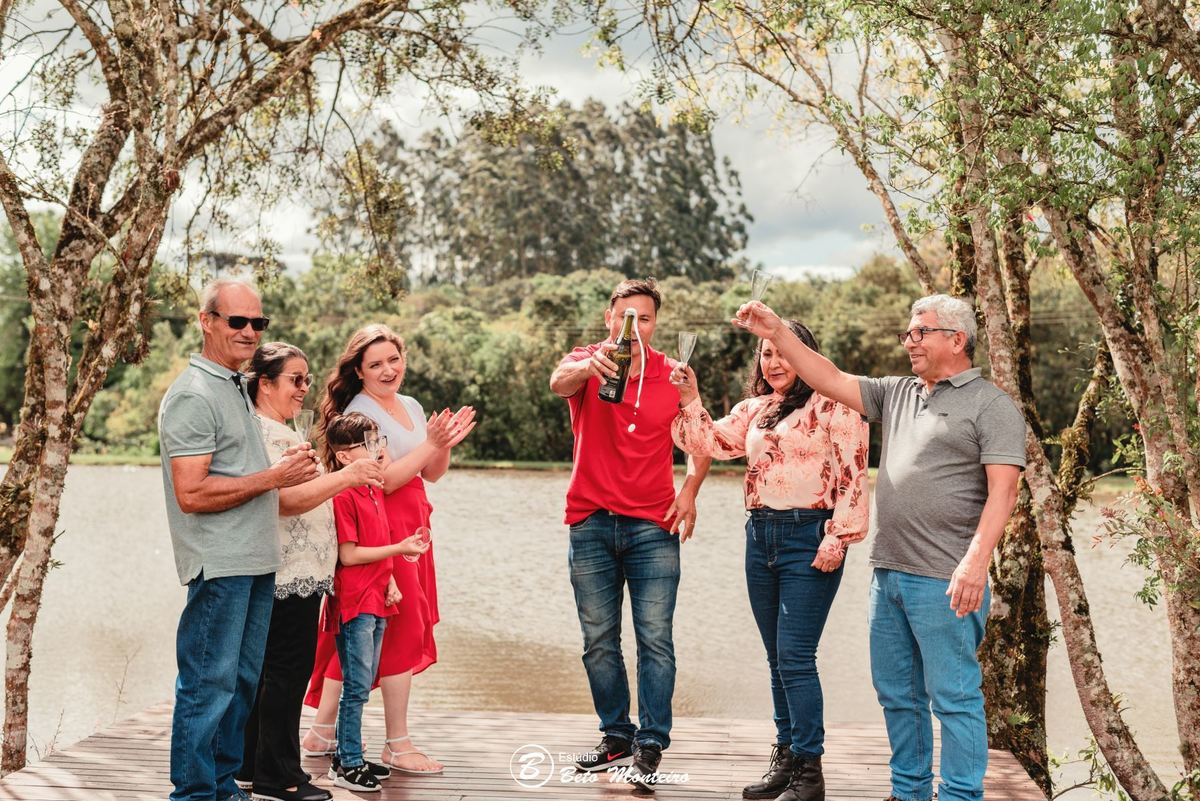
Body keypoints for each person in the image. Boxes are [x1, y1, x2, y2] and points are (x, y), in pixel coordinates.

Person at [733, 294, 1025, 801]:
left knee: (954, 699)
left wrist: (976, 562)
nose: (909, 341)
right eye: (907, 333)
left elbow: (1004, 492)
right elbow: (826, 376)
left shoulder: (992, 407)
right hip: (887, 573)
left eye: (920, 332)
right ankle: (907, 793)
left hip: (946, 578)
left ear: (956, 340)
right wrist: (776, 331)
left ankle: (959, 795)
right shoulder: (898, 393)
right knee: (898, 696)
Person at [669, 320, 869, 801]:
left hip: (811, 535)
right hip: (760, 537)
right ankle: (786, 758)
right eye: (766, 354)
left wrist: (838, 537)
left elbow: (854, 473)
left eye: (782, 352)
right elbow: (708, 444)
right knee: (777, 659)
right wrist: (689, 397)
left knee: (797, 657)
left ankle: (810, 773)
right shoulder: (756, 411)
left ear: (804, 354)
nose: (774, 362)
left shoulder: (836, 402)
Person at [548, 278, 711, 793]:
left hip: (653, 525)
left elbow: (700, 438)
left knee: (655, 639)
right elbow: (558, 383)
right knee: (598, 641)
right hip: (590, 520)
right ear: (609, 317)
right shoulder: (590, 360)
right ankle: (616, 735)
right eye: (625, 317)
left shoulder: (674, 373)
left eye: (643, 319)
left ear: (654, 324)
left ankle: (652, 743)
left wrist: (690, 490)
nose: (633, 327)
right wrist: (584, 366)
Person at [158, 278, 319, 801]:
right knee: (208, 686)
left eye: (259, 323)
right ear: (207, 321)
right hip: (220, 565)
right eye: (237, 321)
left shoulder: (232, 386)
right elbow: (192, 492)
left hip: (257, 562)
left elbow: (245, 474)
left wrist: (284, 471)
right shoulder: (192, 393)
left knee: (242, 684)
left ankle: (225, 785)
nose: (250, 332)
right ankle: (195, 793)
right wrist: (275, 479)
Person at [301, 324, 474, 775]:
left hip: (413, 524)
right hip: (383, 528)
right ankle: (397, 743)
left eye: (393, 360)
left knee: (364, 627)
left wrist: (443, 444)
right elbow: (383, 478)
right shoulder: (361, 413)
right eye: (375, 364)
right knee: (397, 627)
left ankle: (322, 732)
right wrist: (431, 444)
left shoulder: (410, 405)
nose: (387, 370)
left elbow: (431, 473)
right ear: (358, 371)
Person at [236, 343, 385, 801]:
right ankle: (278, 776)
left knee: (273, 672)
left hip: (301, 574)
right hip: (286, 573)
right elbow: (283, 503)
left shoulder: (282, 429)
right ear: (265, 383)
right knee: (285, 672)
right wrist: (350, 475)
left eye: (306, 379)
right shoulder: (263, 433)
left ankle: (250, 766)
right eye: (294, 380)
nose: (304, 388)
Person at [321, 412, 430, 792]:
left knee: (365, 681)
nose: (378, 449)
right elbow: (349, 555)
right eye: (367, 444)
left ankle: (344, 754)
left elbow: (375, 545)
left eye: (378, 440)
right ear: (344, 457)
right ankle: (349, 762)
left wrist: (389, 584)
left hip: (376, 597)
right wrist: (400, 548)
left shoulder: (373, 490)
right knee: (356, 685)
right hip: (354, 601)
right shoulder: (343, 494)